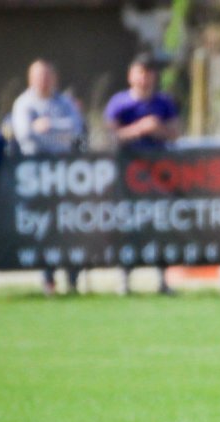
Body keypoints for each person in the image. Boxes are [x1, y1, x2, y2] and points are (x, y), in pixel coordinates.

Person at [104, 53, 178, 295]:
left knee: (159, 225)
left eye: (148, 73)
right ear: (131, 75)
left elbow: (176, 132)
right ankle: (125, 278)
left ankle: (162, 279)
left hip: (157, 175)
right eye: (140, 72)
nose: (144, 78)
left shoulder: (164, 102)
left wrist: (159, 130)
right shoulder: (119, 103)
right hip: (128, 176)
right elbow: (110, 136)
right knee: (129, 225)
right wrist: (139, 129)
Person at [12, 59, 86, 295]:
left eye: (47, 75)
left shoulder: (63, 102)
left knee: (70, 225)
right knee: (44, 228)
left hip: (64, 173)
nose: (44, 81)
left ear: (54, 78)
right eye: (39, 76)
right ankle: (48, 281)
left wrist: (48, 125)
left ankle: (73, 280)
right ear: (30, 79)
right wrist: (50, 132)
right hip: (35, 175)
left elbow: (75, 129)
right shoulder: (24, 103)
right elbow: (25, 135)